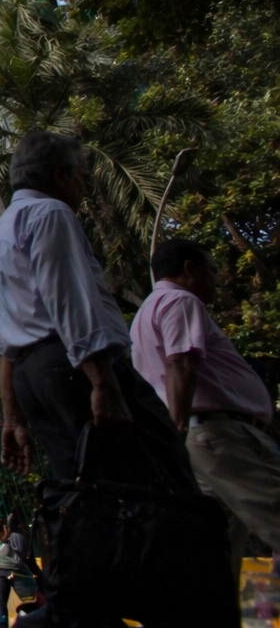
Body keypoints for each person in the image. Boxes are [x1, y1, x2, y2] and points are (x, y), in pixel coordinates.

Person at [0, 131, 197, 489]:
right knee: (161, 472)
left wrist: (12, 416)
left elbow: (4, 337)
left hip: (33, 378)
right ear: (61, 175)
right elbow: (69, 303)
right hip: (73, 366)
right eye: (81, 177)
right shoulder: (49, 213)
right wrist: (104, 384)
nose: (83, 188)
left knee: (91, 491)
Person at [131, 238, 280, 584]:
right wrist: (177, 427)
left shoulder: (143, 315)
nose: (216, 279)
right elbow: (181, 363)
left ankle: (207, 606)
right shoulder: (180, 301)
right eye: (211, 271)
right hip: (221, 435)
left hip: (201, 441)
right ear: (189, 269)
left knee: (214, 544)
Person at [0, 515, 35, 628]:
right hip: (1, 573)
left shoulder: (17, 537)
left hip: (18, 573)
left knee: (29, 602)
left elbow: (23, 556)